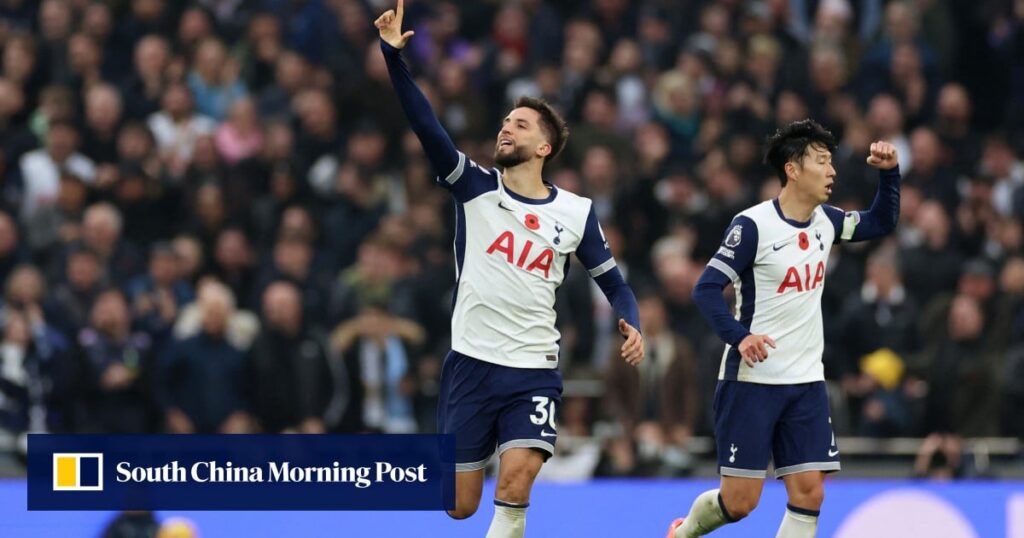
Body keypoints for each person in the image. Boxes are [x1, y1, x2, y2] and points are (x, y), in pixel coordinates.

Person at [374, 2, 644, 536]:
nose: (505, 129)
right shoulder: (473, 188)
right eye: (503, 122)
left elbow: (612, 279)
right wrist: (393, 58)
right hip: (470, 363)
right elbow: (426, 126)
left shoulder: (576, 212)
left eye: (518, 124)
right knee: (459, 505)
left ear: (543, 146)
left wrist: (631, 318)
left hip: (533, 368)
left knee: (516, 483)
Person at [668, 119, 900, 537]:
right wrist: (742, 337)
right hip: (753, 380)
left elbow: (880, 223)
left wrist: (889, 173)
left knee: (810, 493)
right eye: (822, 161)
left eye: (832, 163)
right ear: (792, 168)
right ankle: (684, 532)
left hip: (807, 381)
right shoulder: (752, 226)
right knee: (739, 504)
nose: (832, 172)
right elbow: (705, 289)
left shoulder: (826, 221)